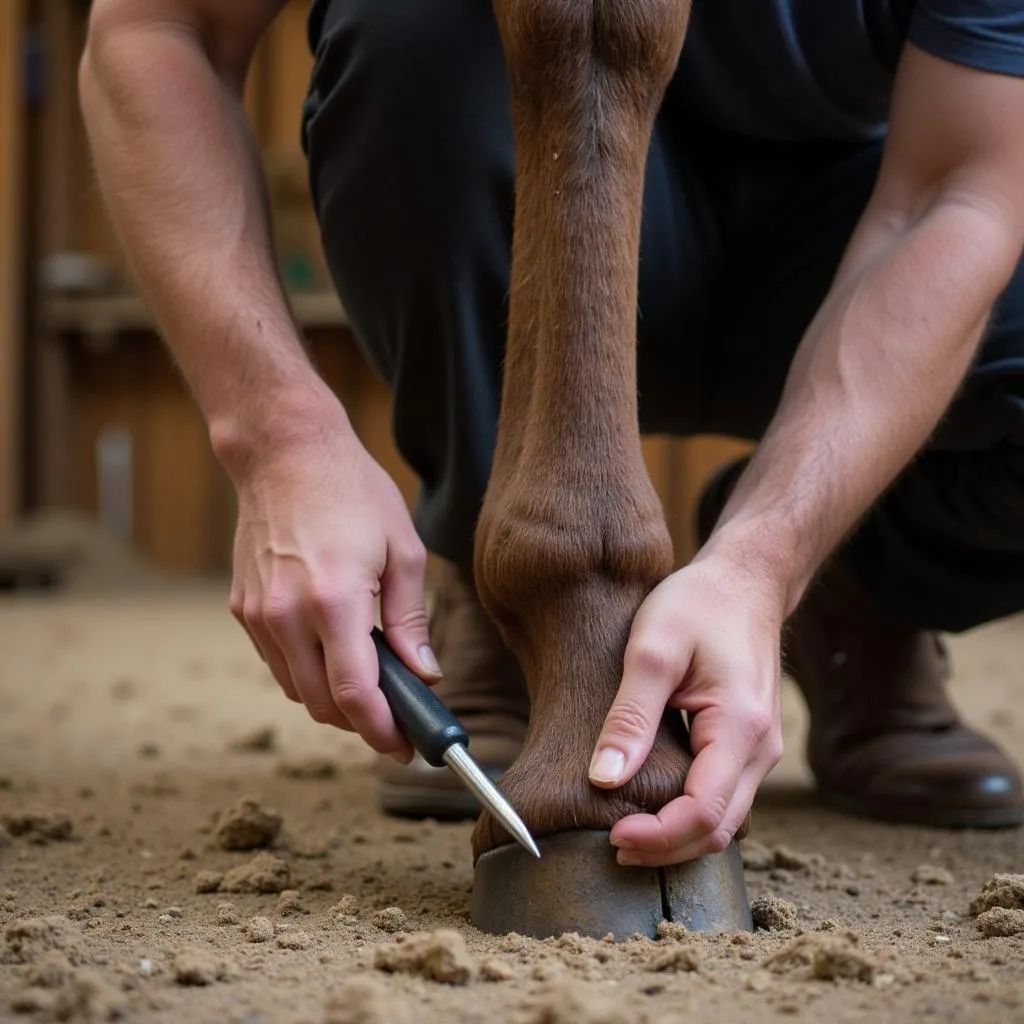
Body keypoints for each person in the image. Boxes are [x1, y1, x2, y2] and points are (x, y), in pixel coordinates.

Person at [79, 0, 1024, 867]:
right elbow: (160, 28)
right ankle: (495, 585)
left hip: (850, 223)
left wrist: (769, 556)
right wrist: (279, 437)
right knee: (408, 31)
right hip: (518, 202)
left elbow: (959, 190)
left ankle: (855, 589)